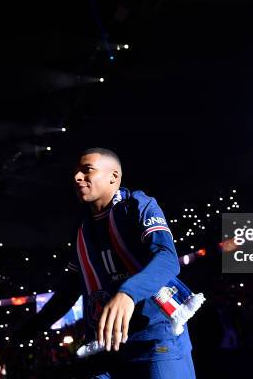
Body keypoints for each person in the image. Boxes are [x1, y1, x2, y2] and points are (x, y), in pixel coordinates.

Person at [12, 147, 196, 378]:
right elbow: (70, 289)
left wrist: (127, 294)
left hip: (154, 337)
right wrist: (31, 328)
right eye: (76, 172)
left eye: (87, 170)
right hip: (103, 346)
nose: (77, 177)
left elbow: (167, 259)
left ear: (114, 176)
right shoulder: (80, 230)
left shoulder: (139, 205)